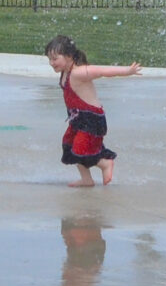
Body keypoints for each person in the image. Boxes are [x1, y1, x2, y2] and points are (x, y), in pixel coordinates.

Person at [45, 34, 142, 186]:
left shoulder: (79, 72)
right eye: (49, 59)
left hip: (92, 119)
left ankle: (105, 163)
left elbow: (102, 71)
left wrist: (127, 71)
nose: (51, 63)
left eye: (55, 58)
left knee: (81, 149)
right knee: (70, 146)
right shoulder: (65, 72)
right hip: (77, 119)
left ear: (69, 56)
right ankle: (86, 179)